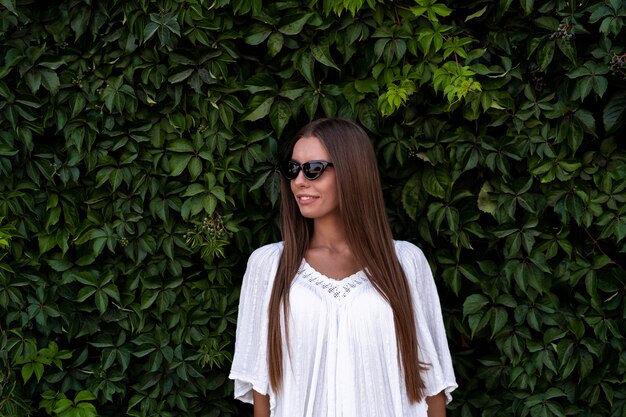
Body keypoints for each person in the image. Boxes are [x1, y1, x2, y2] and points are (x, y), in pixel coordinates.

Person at [229, 118, 457, 417]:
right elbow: (262, 389)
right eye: (292, 169)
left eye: (313, 169)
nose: (299, 181)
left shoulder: (405, 262)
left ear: (352, 172)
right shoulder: (269, 266)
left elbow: (432, 384)